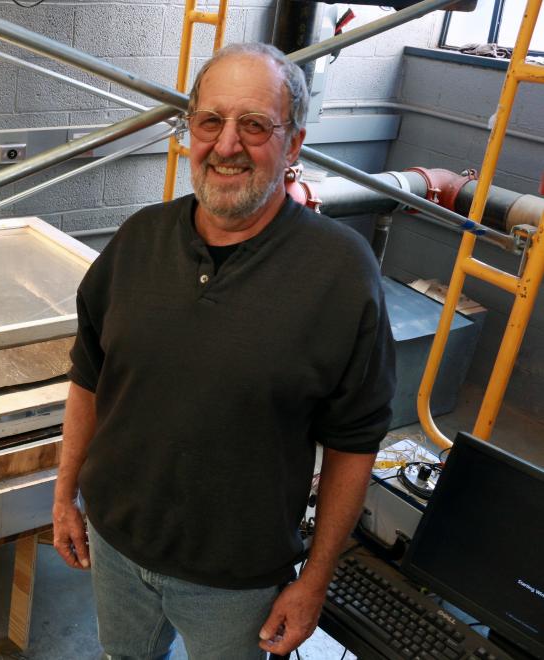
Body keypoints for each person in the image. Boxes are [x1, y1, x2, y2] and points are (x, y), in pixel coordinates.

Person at [52, 42, 396, 659]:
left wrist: (314, 582)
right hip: (116, 548)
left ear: (293, 146)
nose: (228, 144)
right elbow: (88, 378)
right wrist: (64, 498)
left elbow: (354, 440)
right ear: (190, 133)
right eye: (210, 121)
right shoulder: (137, 241)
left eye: (255, 125)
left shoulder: (341, 273)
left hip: (239, 584)